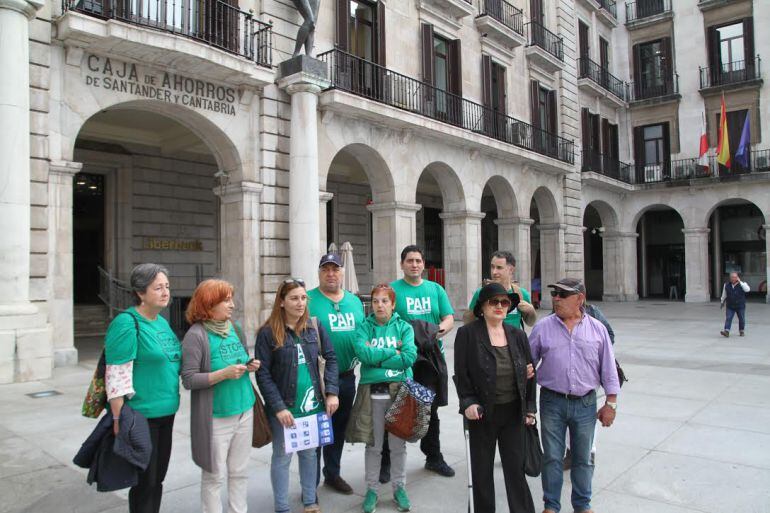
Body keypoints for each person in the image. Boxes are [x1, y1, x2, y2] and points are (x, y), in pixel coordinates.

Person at [529, 278, 620, 513]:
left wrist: (611, 404)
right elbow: (528, 365)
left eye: (562, 294)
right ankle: (551, 505)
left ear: (580, 299)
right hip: (551, 401)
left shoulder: (597, 329)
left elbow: (609, 370)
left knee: (583, 458)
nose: (556, 298)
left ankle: (582, 505)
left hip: (585, 403)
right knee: (551, 457)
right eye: (555, 294)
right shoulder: (542, 327)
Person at [255, 278, 339, 513]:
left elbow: (331, 358)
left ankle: (310, 501)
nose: (300, 303)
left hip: (313, 405)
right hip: (285, 408)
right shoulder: (268, 333)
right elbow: (263, 374)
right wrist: (279, 407)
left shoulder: (314, 326)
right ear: (281, 302)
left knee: (310, 454)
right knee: (282, 457)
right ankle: (282, 507)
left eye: (303, 298)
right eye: (294, 298)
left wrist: (332, 392)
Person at [104, 263, 181, 513]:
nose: (165, 292)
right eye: (158, 287)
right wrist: (117, 418)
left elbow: (173, 362)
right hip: (141, 415)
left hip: (167, 412)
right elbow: (116, 375)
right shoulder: (127, 323)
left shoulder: (162, 323)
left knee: (157, 478)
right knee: (144, 481)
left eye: (167, 286)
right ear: (140, 292)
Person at [454, 282, 537, 513]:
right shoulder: (467, 334)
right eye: (494, 302)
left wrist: (530, 408)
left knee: (515, 471)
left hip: (513, 413)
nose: (500, 306)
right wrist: (468, 402)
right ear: (482, 307)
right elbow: (461, 375)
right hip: (482, 414)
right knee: (481, 474)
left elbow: (531, 373)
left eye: (504, 302)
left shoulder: (518, 335)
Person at [181, 279, 261, 513]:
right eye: (226, 300)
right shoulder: (196, 336)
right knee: (214, 476)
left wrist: (249, 365)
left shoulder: (234, 328)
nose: (232, 305)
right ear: (208, 304)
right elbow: (188, 379)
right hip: (216, 416)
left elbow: (240, 358)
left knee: (239, 472)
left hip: (245, 409)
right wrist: (222, 374)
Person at [346, 284, 417, 513]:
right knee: (374, 445)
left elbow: (408, 357)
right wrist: (391, 353)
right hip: (372, 393)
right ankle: (372, 490)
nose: (379, 305)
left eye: (384, 301)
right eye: (375, 301)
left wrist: (376, 360)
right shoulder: (363, 328)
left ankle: (399, 487)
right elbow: (362, 353)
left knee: (398, 445)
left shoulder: (404, 327)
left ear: (393, 304)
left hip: (399, 392)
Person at [389, 245, 456, 477]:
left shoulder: (435, 289)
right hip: (404, 359)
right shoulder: (392, 290)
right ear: (402, 264)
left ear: (423, 264)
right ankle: (387, 462)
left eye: (418, 260)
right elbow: (382, 319)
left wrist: (436, 331)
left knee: (430, 410)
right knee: (397, 408)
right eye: (410, 261)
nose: (414, 265)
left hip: (431, 359)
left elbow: (448, 317)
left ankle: (433, 457)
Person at [308, 253, 366, 494]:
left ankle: (332, 473)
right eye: (326, 269)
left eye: (335, 269)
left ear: (342, 272)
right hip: (316, 380)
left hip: (346, 376)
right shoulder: (308, 299)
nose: (331, 273)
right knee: (316, 432)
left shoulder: (354, 301)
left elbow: (364, 333)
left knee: (338, 429)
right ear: (319, 273)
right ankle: (309, 483)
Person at [467, 251, 537, 328]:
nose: (494, 272)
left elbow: (530, 323)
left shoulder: (521, 293)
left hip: (513, 339)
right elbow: (468, 322)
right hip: (487, 339)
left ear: (511, 270)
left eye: (499, 268)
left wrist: (531, 311)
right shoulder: (481, 293)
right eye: (492, 267)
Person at [720, 272, 750, 337]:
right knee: (728, 318)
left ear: (737, 277)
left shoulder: (742, 284)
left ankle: (741, 330)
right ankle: (726, 331)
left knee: (741, 318)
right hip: (730, 305)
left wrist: (740, 282)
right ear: (730, 278)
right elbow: (724, 294)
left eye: (735, 277)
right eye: (732, 277)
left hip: (740, 305)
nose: (734, 278)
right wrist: (722, 302)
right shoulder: (726, 285)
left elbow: (747, 290)